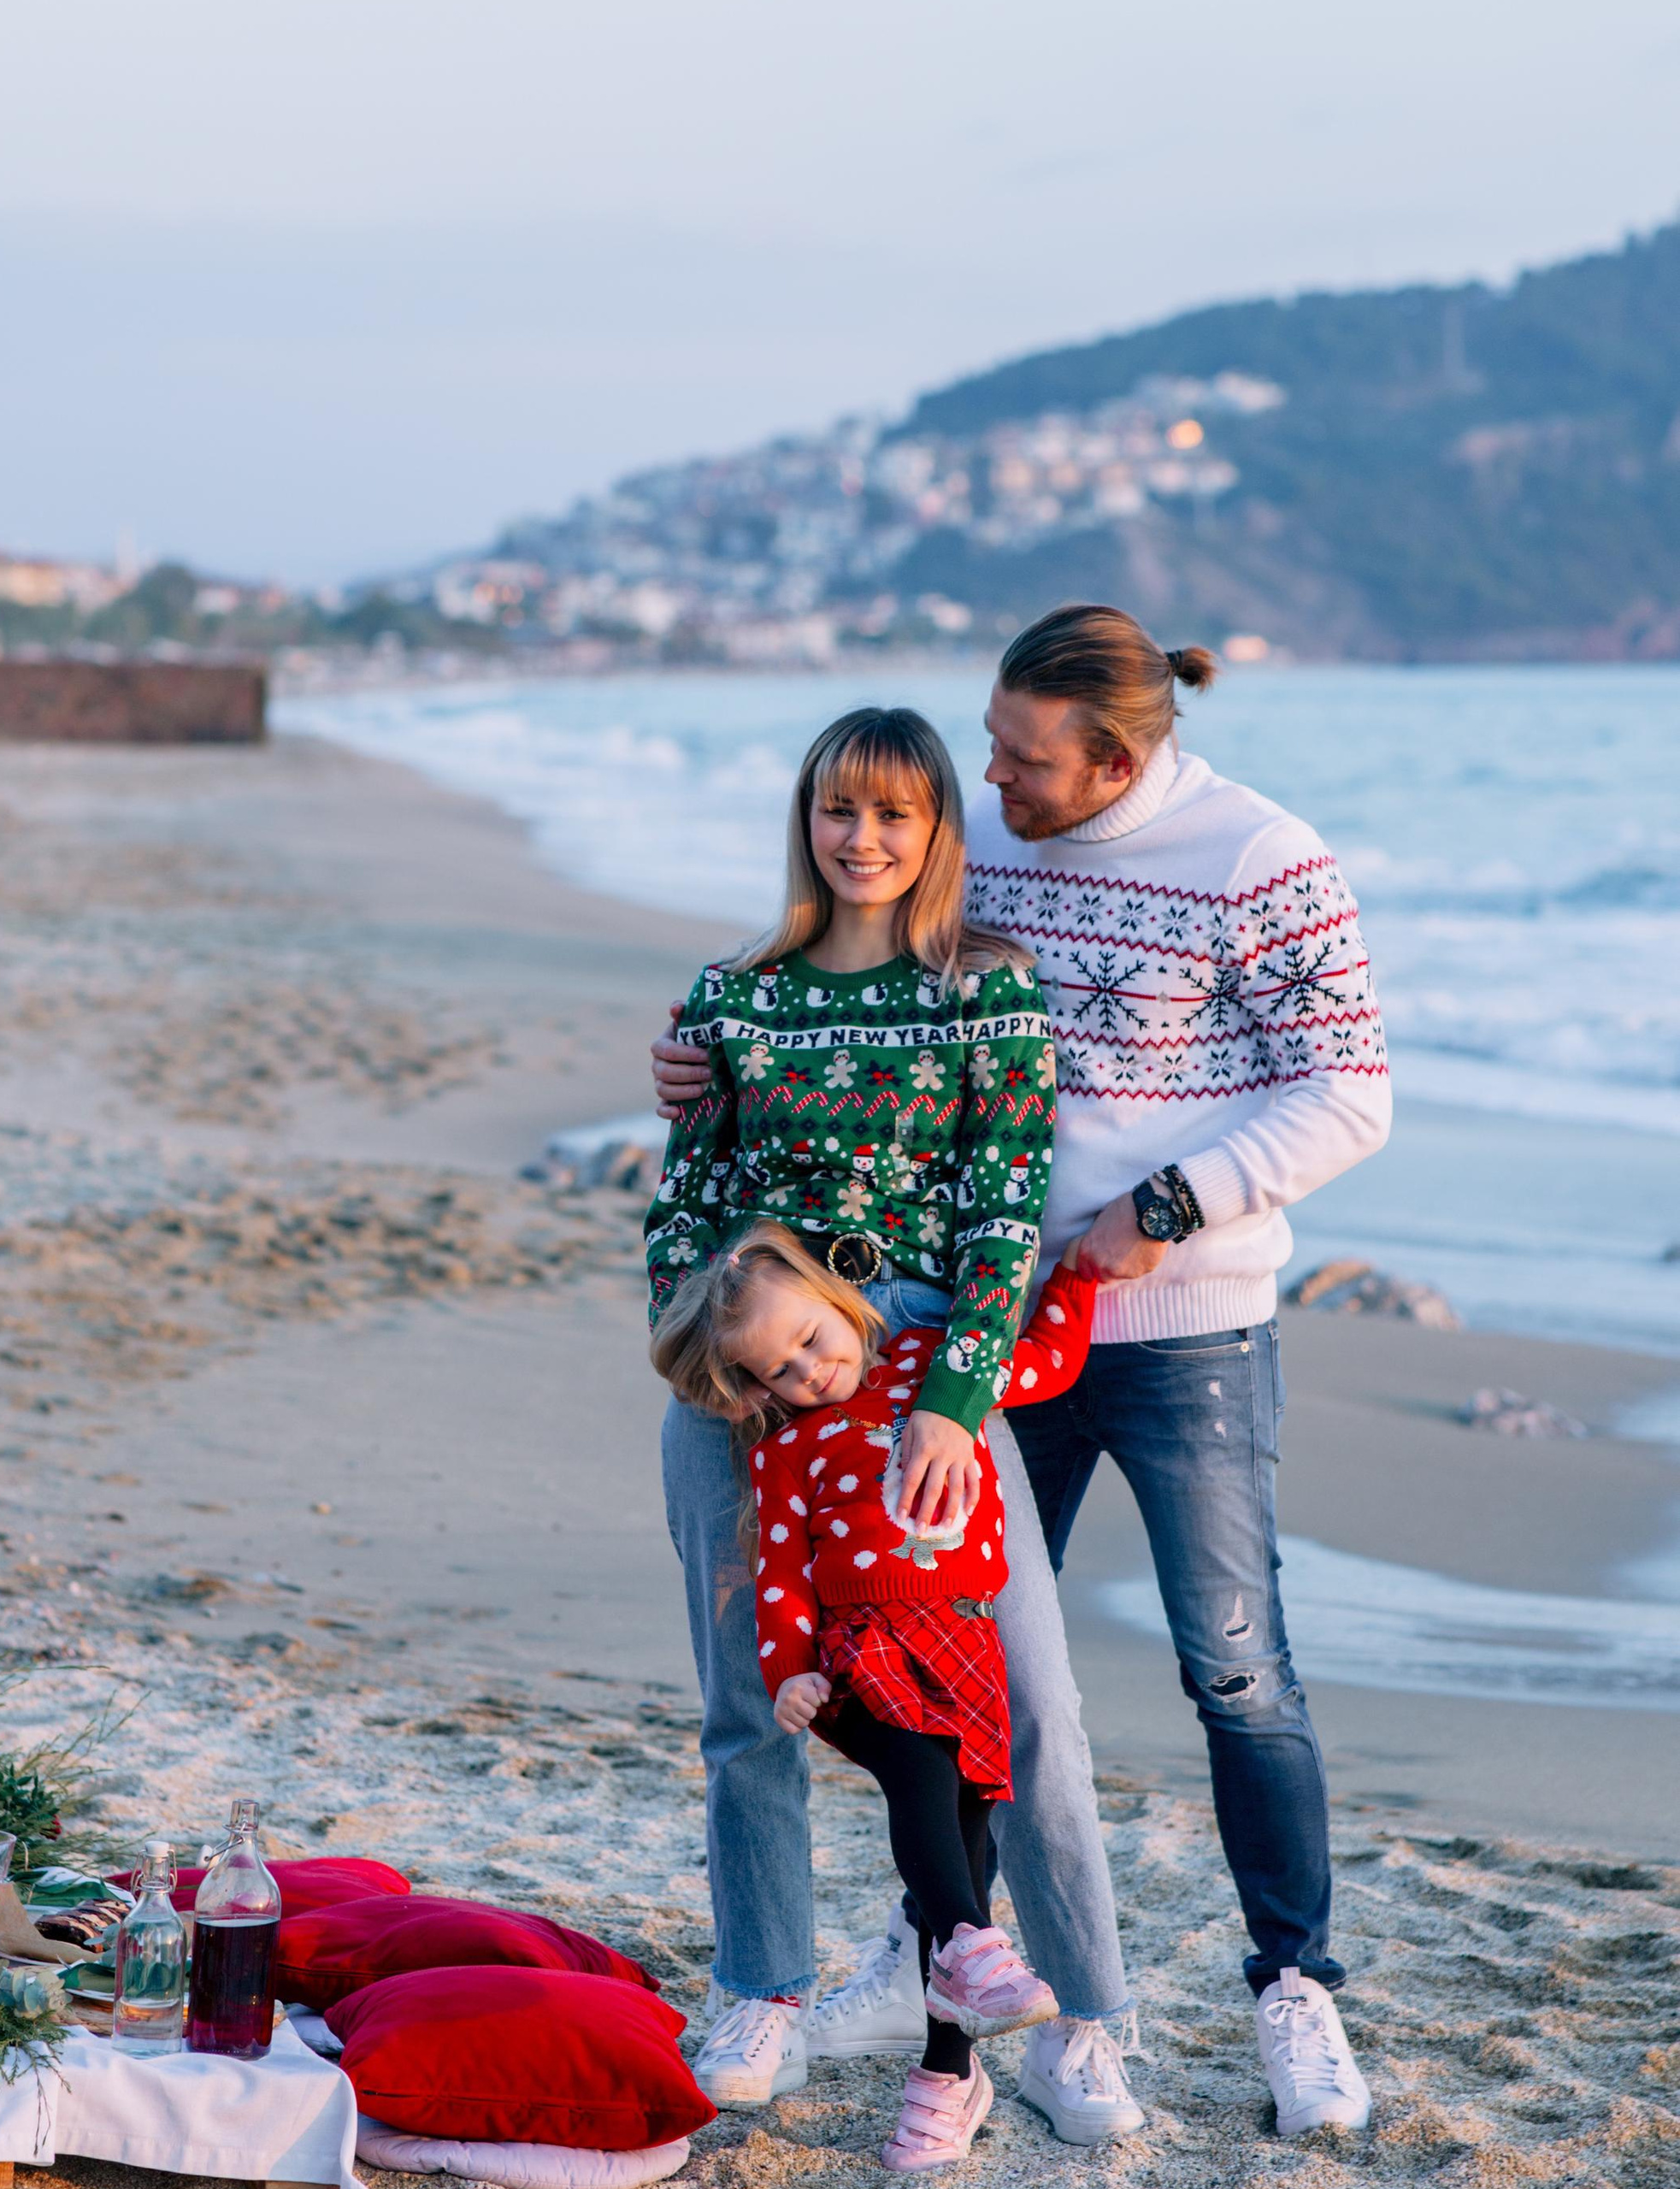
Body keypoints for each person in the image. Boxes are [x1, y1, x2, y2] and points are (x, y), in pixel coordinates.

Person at [651, 607, 1390, 2138]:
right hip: (856, 1353)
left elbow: (1347, 1092)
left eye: (1017, 757)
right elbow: (732, 1125)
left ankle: (1231, 1995)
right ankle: (866, 1977)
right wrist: (694, 1089)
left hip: (1130, 1324)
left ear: (1114, 756)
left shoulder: (1257, 857)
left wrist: (1146, 1225)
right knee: (845, 1687)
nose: (989, 780)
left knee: (1188, 1680)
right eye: (979, 751)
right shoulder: (952, 846)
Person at [645, 705, 1145, 2146]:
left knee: (1029, 1702)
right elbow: (681, 1220)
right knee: (752, 1698)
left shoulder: (986, 990)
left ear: (938, 835)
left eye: (894, 817)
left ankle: (1082, 2020)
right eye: (836, 812)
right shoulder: (733, 997)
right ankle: (761, 1988)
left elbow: (1006, 1212)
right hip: (752, 1380)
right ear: (806, 823)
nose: (861, 841)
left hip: (926, 1373)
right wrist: (714, 1373)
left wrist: (952, 1398)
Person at [651, 1219, 1097, 2168]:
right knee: (918, 1781)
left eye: (812, 1339)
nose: (807, 1373)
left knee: (968, 1821)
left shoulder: (940, 1382)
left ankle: (947, 2071)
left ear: (842, 1300)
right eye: (777, 1370)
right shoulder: (785, 1451)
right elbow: (779, 1575)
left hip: (966, 1642)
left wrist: (1082, 1270)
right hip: (863, 1653)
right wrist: (793, 1671)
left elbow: (1048, 1361)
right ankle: (975, 1947)